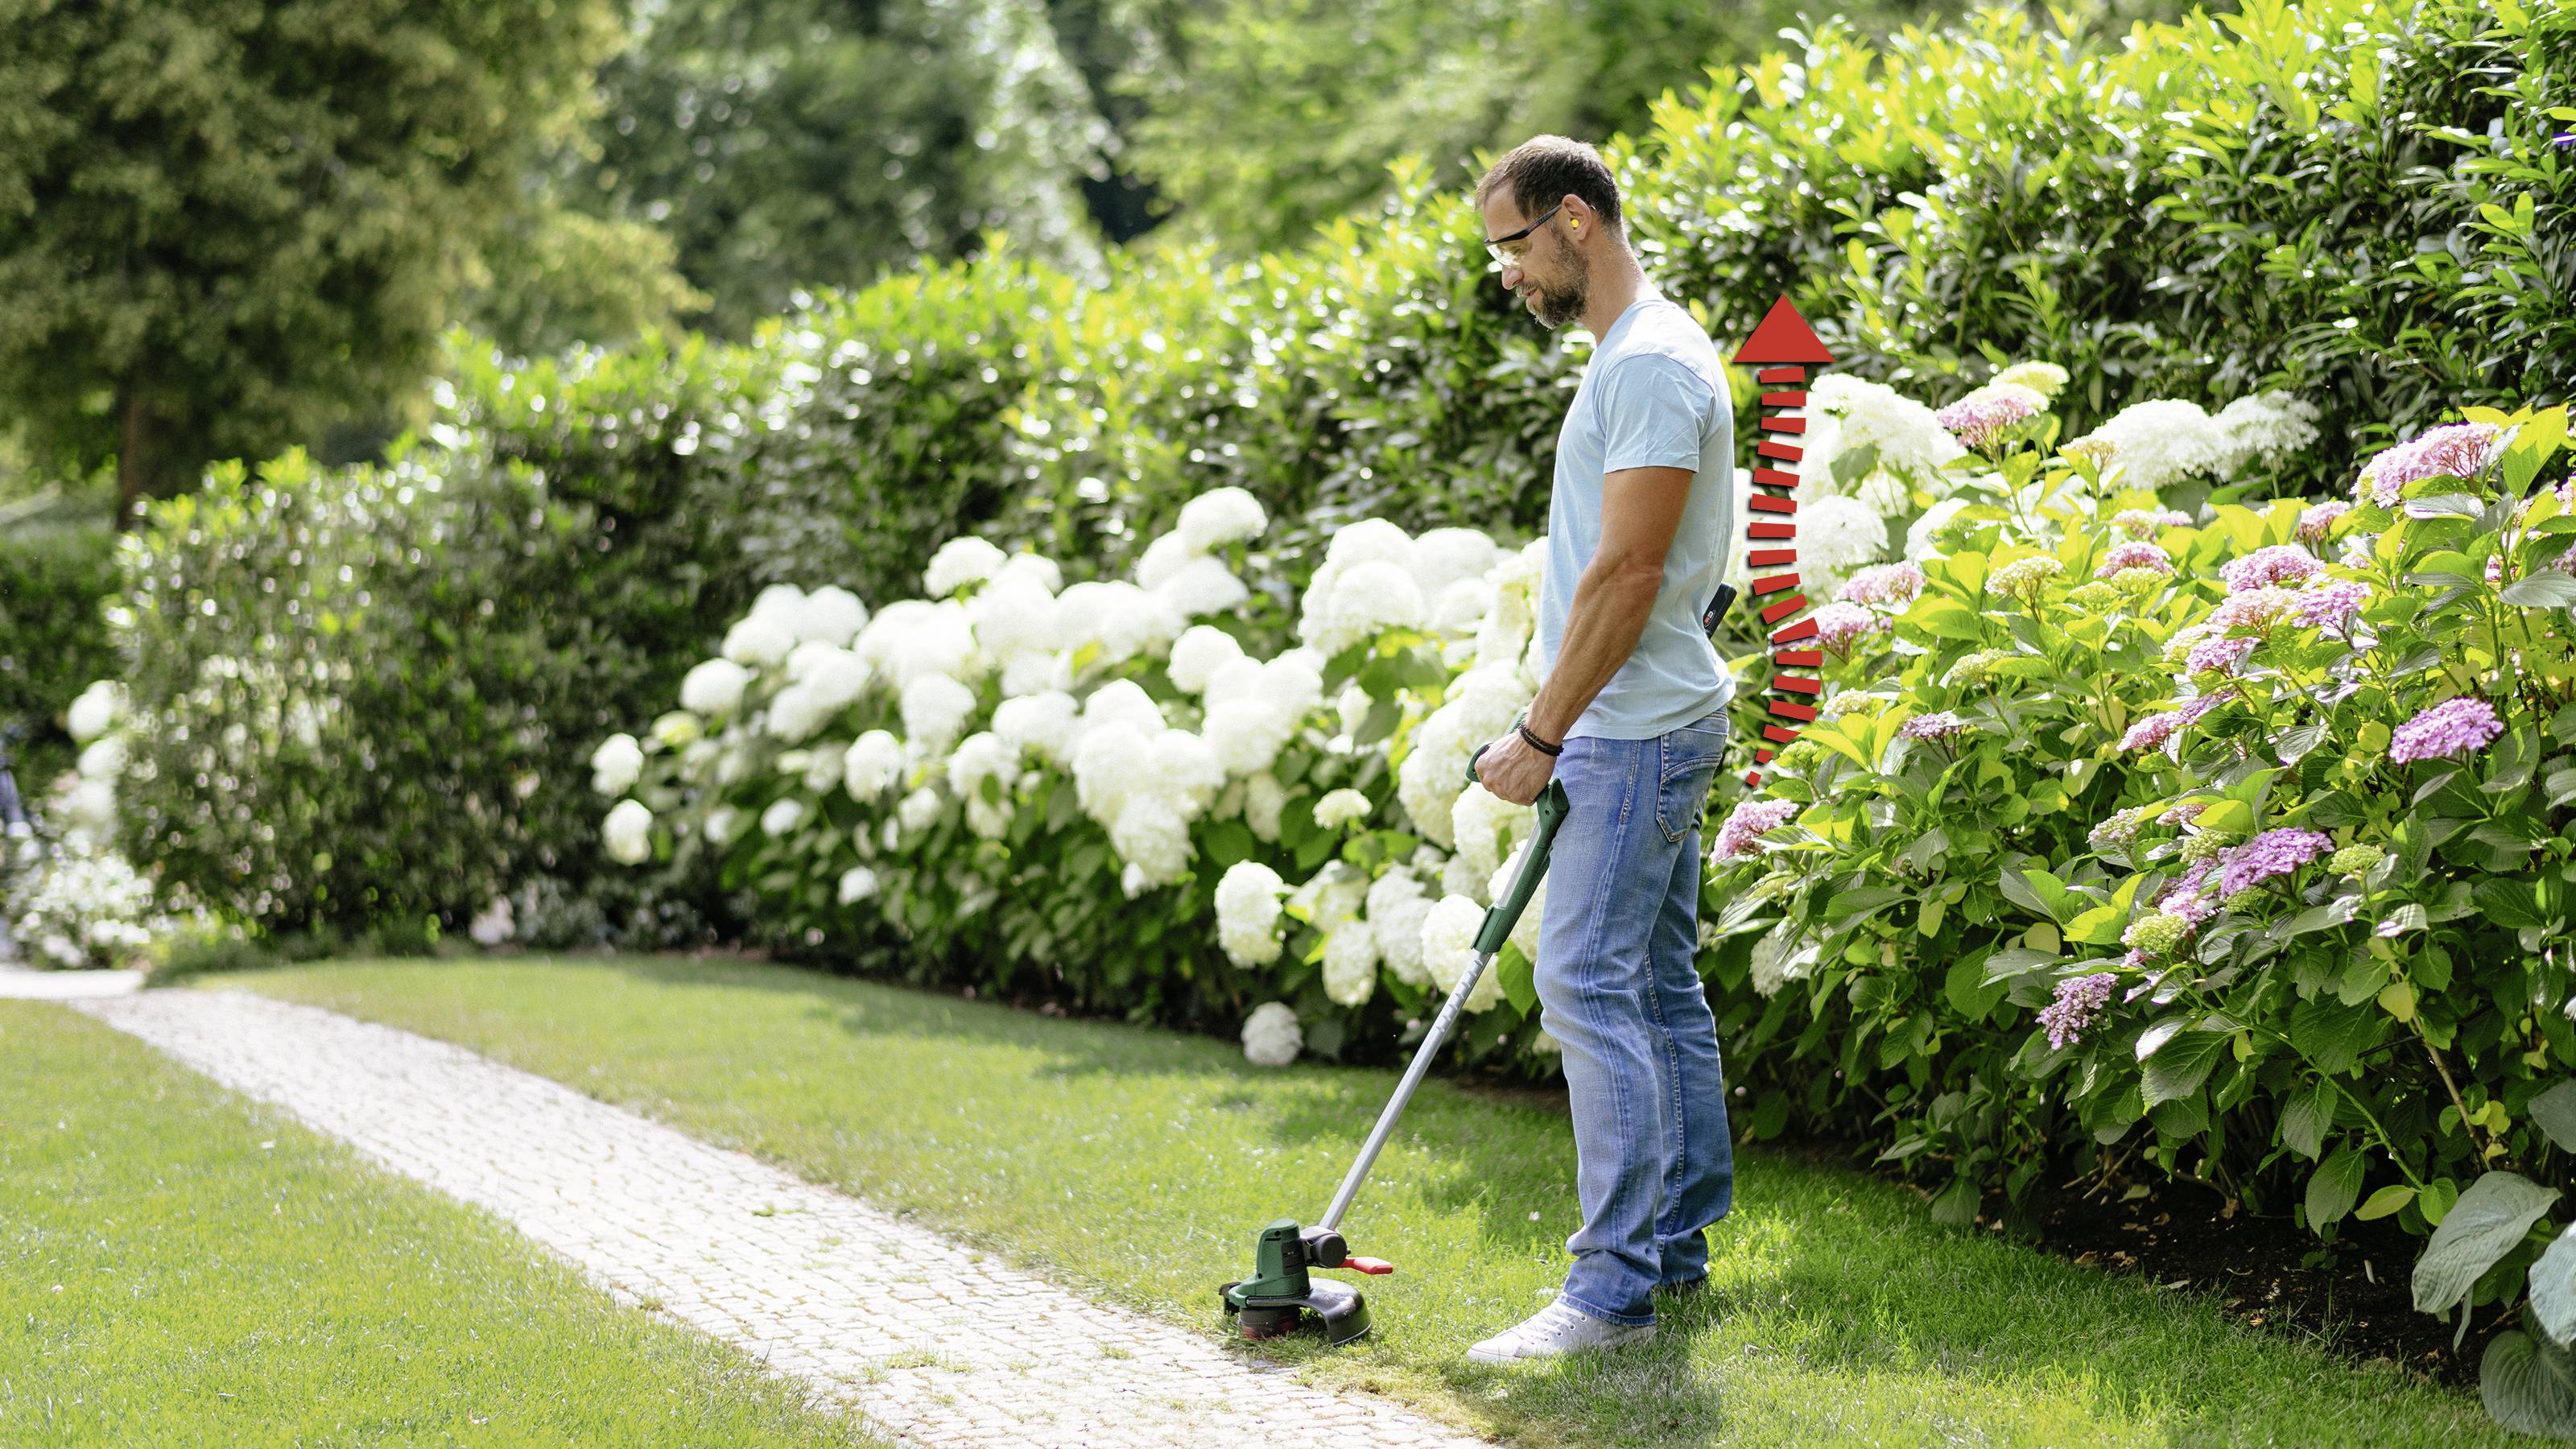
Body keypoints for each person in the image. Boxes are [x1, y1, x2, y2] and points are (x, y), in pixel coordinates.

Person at [1464, 134, 1737, 1364]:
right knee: (1657, 987)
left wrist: (1540, 734)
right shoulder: (1643, 355)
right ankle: (1672, 1252)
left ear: (1574, 221)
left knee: (1585, 984)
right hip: (1647, 720)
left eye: (1513, 247)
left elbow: (1628, 573)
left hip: (1630, 734)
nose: (1509, 276)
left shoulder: (1649, 367)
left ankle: (1613, 1288)